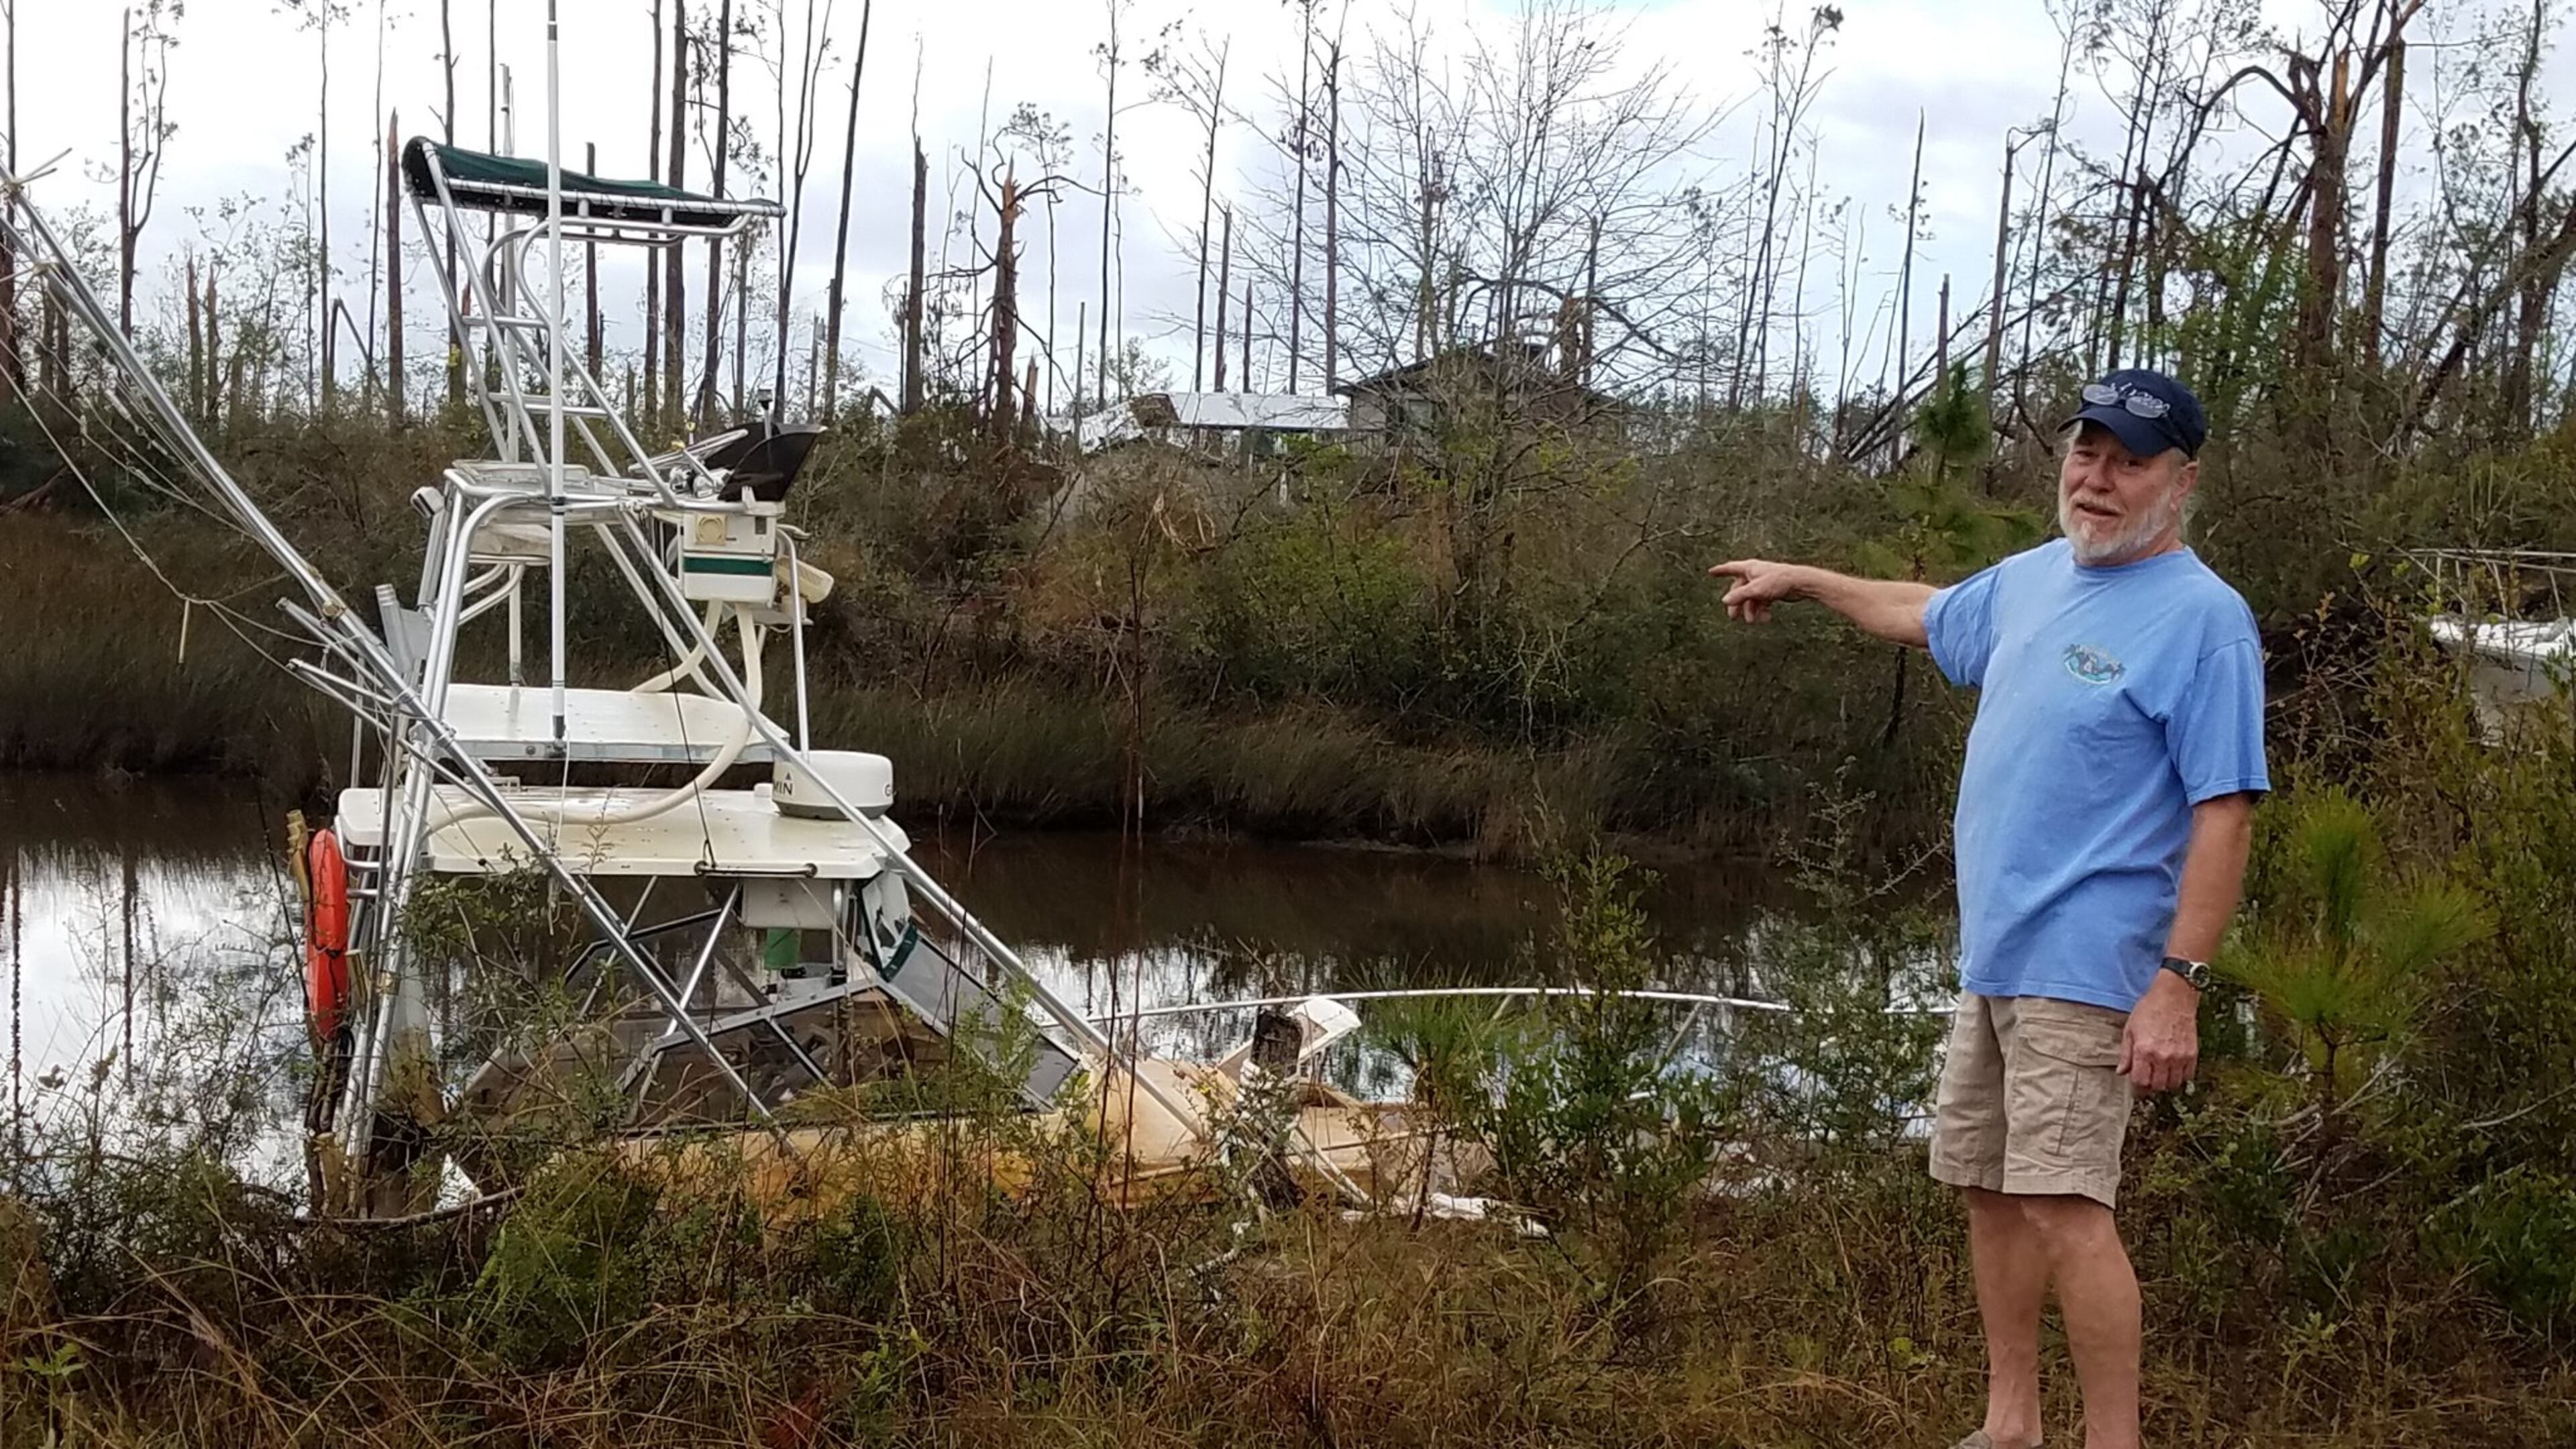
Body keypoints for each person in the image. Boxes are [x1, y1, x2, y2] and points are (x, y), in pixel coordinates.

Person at [1708, 368, 2267, 1449]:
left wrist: (2177, 985)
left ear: (2180, 482)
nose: (2098, 480)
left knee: (2067, 1206)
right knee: (1990, 1190)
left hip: (2090, 963)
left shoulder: (2206, 621)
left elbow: (2226, 813)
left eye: (2129, 461)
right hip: (1995, 958)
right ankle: (2010, 1422)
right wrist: (1807, 578)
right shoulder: (2039, 578)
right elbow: (1926, 612)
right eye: (2085, 452)